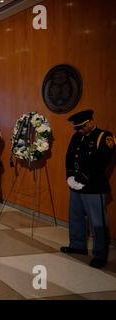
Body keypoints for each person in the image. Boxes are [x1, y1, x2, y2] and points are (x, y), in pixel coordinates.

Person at [60, 110, 115, 269]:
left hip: (93, 186)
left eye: (82, 127)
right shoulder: (77, 136)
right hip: (75, 184)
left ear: (91, 122)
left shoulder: (104, 137)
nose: (79, 130)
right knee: (76, 216)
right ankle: (78, 245)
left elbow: (103, 161)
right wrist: (70, 176)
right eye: (77, 128)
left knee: (98, 222)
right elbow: (69, 156)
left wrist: (83, 178)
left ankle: (100, 255)